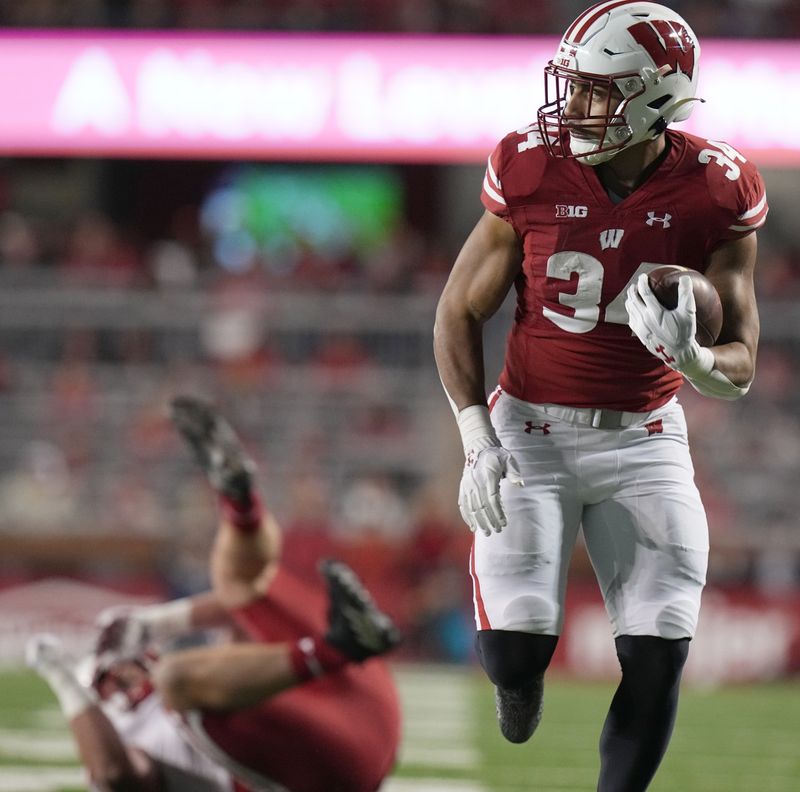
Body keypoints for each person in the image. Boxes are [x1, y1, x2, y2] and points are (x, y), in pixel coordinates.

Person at [433, 3, 766, 791]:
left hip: (644, 438)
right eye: (574, 86)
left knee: (657, 655)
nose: (572, 106)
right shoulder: (530, 164)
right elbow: (458, 309)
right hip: (530, 433)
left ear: (654, 98)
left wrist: (692, 357)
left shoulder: (718, 188)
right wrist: (476, 437)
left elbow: (741, 365)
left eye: (596, 91)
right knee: (513, 655)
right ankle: (520, 682)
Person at [27, 395, 402, 792]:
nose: (121, 672)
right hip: (324, 773)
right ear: (99, 705)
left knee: (237, 590)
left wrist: (156, 621)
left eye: (119, 664)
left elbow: (233, 605)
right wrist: (64, 680)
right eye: (106, 679)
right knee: (179, 680)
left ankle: (240, 502)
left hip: (358, 691)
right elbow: (111, 774)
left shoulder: (210, 674)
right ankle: (338, 646)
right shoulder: (137, 738)